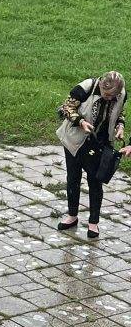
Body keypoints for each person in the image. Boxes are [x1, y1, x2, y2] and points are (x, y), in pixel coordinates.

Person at [57, 71, 130, 239]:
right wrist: (81, 122)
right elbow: (67, 107)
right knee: (73, 177)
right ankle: (72, 216)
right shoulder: (85, 88)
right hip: (75, 140)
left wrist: (120, 127)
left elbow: (120, 113)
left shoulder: (121, 94)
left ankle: (93, 223)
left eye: (112, 96)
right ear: (100, 86)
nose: (108, 98)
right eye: (105, 95)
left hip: (101, 142)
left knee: (96, 181)